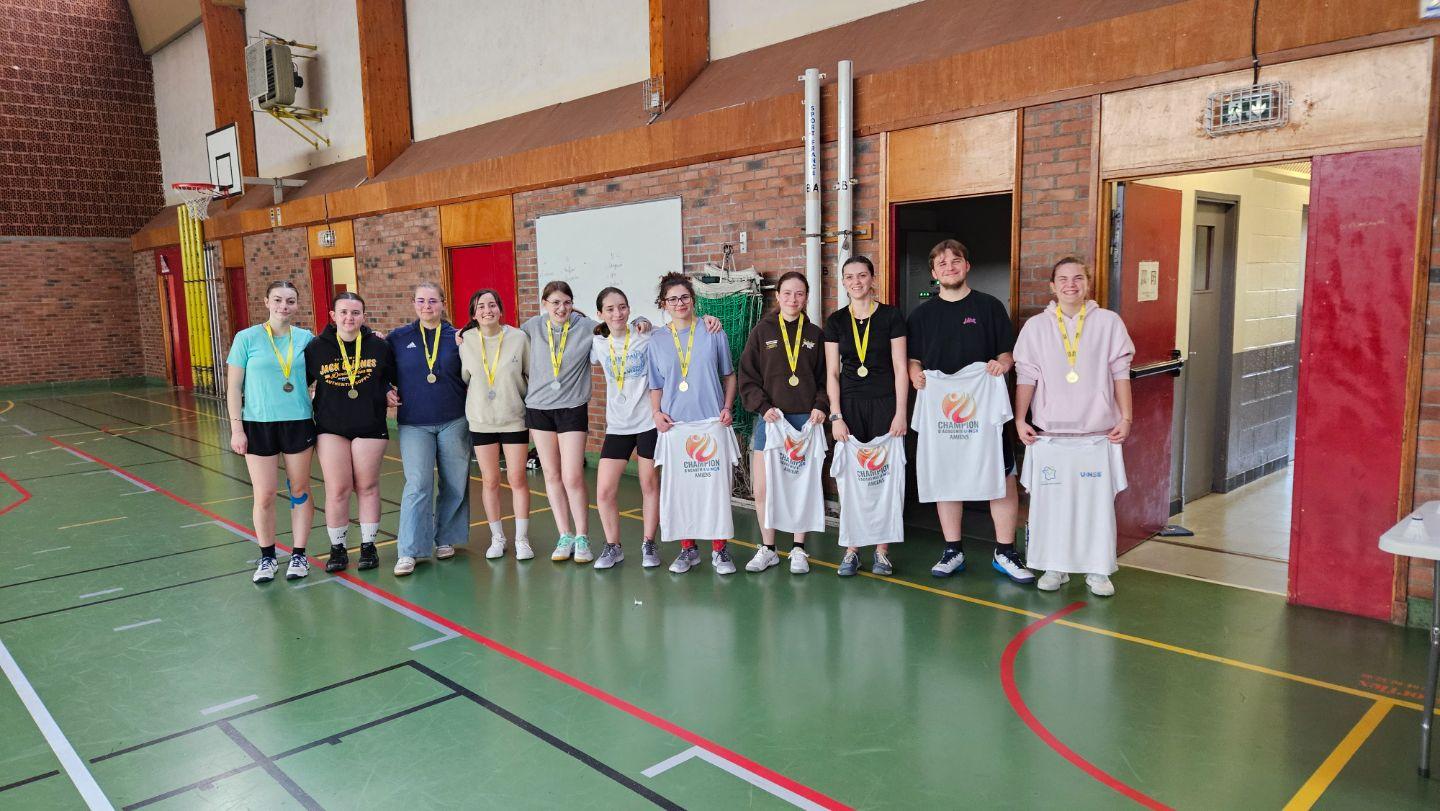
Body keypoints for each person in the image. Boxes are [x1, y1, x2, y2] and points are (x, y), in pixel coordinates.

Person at [906, 239, 1034, 585]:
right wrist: (915, 374)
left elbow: (1007, 354)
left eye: (955, 261)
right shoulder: (921, 315)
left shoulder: (989, 307)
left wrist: (1001, 364)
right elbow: (913, 359)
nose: (949, 268)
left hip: (983, 410)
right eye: (942, 264)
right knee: (947, 477)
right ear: (934, 273)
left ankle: (1005, 551)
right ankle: (953, 550)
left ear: (967, 266)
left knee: (1001, 477)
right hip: (943, 413)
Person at [1014, 256, 1135, 597]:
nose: (1071, 284)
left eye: (1078, 278)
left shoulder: (1109, 322)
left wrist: (1126, 417)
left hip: (1096, 437)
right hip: (1050, 438)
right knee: (1051, 508)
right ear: (1052, 286)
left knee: (1096, 510)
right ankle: (1055, 567)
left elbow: (1120, 373)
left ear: (1088, 283)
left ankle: (1098, 570)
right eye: (1063, 279)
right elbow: (1026, 376)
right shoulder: (1036, 327)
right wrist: (1021, 419)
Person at [225, 280, 317, 583]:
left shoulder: (306, 339)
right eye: (277, 300)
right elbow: (233, 387)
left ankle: (299, 554)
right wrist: (237, 429)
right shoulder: (246, 338)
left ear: (297, 305)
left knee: (299, 490)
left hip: (298, 422)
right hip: (258, 424)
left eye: (290, 301)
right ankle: (267, 557)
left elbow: (328, 369)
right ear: (266, 302)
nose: (283, 306)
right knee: (264, 494)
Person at [823, 255, 909, 577]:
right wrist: (836, 416)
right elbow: (832, 373)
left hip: (885, 404)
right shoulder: (836, 321)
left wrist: (901, 412)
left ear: (872, 278)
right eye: (849, 276)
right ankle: (852, 548)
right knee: (851, 478)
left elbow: (900, 368)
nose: (856, 281)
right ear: (844, 282)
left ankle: (882, 551)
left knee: (884, 476)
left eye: (862, 275)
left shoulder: (891, 316)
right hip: (849, 407)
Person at [649, 272, 740, 575]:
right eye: (673, 299)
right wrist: (656, 413)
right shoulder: (657, 340)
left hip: (711, 425)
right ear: (664, 303)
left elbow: (729, 376)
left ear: (693, 299)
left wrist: (727, 407)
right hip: (676, 428)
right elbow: (656, 385)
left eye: (685, 297)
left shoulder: (713, 331)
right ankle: (688, 549)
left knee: (715, 491)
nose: (680, 303)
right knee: (682, 492)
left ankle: (719, 549)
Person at [738, 271, 827, 574]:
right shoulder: (762, 331)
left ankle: (799, 548)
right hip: (771, 419)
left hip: (804, 423)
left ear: (806, 297)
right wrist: (762, 407)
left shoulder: (815, 334)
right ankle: (768, 548)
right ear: (777, 296)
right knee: (763, 489)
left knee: (800, 488)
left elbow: (825, 379)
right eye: (787, 293)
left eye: (799, 293)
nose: (793, 299)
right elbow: (747, 377)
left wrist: (821, 405)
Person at [304, 292, 397, 573]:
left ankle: (369, 546)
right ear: (333, 316)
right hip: (331, 427)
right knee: (338, 488)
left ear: (364, 316)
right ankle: (338, 549)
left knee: (367, 486)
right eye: (343, 312)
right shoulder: (316, 348)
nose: (349, 318)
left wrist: (388, 390)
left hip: (369, 424)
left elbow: (391, 378)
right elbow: (299, 383)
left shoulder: (378, 346)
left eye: (355, 313)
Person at [386, 282, 470, 577]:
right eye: (421, 301)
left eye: (433, 301)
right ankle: (409, 550)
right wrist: (385, 390)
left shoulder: (458, 336)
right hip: (414, 423)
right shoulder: (398, 337)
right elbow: (378, 369)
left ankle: (445, 538)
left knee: (455, 482)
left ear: (443, 303)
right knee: (418, 484)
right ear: (413, 303)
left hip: (454, 419)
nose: (427, 306)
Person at [458, 289, 533, 561]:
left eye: (492, 305)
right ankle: (497, 537)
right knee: (490, 480)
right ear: (474, 313)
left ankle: (522, 539)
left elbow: (530, 373)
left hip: (513, 418)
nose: (487, 310)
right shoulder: (465, 340)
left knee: (517, 478)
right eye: (481, 306)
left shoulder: (519, 338)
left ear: (500, 310)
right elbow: (465, 377)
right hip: (481, 420)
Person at [590, 287, 661, 570]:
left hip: (647, 423)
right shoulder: (597, 344)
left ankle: (648, 543)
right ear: (600, 313)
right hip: (618, 425)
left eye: (622, 307)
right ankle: (613, 546)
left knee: (648, 484)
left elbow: (672, 331)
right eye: (610, 309)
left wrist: (647, 321)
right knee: (604, 491)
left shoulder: (646, 336)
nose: (617, 313)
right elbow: (570, 321)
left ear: (629, 309)